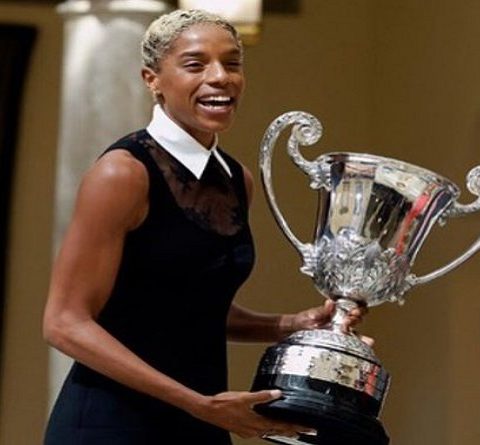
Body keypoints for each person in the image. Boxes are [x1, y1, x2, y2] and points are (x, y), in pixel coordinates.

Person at [42, 9, 363, 444]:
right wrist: (197, 403)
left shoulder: (236, 180)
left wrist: (291, 323)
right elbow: (64, 322)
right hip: (112, 425)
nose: (220, 77)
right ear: (153, 79)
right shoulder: (123, 173)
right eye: (195, 65)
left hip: (203, 421)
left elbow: (188, 305)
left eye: (232, 63)